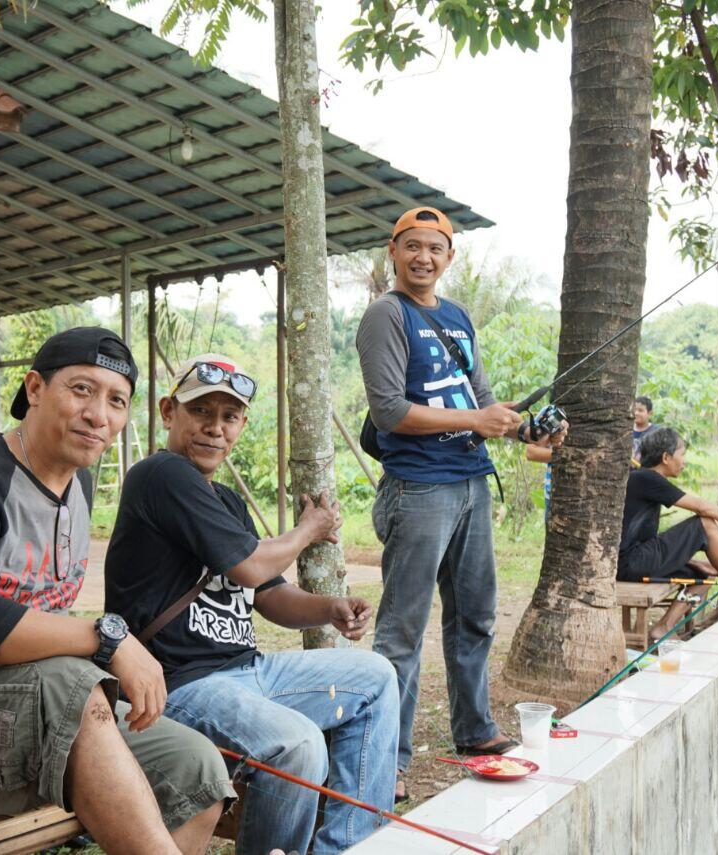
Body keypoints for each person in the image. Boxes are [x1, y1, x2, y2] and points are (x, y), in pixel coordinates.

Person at [0, 328, 233, 855]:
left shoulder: (78, 486)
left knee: (196, 770)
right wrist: (111, 639)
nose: (98, 415)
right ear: (34, 389)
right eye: (81, 389)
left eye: (116, 401)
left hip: (28, 710)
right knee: (71, 685)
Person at [104, 353, 399, 855]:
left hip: (250, 670)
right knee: (297, 743)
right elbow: (249, 567)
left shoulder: (228, 502)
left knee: (376, 678)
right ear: (168, 412)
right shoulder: (160, 475)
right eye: (202, 412)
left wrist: (328, 608)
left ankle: (345, 847)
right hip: (180, 684)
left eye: (230, 416)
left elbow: (269, 594)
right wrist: (310, 529)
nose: (215, 429)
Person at [355, 206, 565, 801]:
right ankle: (387, 760)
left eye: (436, 248)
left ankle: (474, 731)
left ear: (450, 257)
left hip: (472, 480)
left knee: (474, 616)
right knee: (402, 631)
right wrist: (477, 417)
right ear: (392, 252)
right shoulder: (385, 315)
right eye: (412, 246)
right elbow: (390, 411)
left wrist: (526, 430)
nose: (424, 257)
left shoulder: (456, 316)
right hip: (419, 488)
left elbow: (483, 399)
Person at [619, 428, 718, 636]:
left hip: (636, 561)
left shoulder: (644, 479)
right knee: (705, 523)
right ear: (666, 457)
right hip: (631, 562)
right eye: (682, 454)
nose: (683, 461)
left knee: (703, 576)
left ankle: (663, 627)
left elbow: (646, 539)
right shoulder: (646, 478)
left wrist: (690, 562)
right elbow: (702, 507)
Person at [631, 395, 658, 463]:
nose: (636, 413)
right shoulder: (626, 428)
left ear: (650, 413)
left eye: (640, 410)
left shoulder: (656, 432)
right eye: (635, 410)